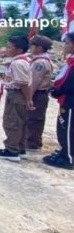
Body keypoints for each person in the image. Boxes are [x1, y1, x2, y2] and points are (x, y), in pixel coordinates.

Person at [0, 36, 32, 162]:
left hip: (16, 94)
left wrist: (28, 99)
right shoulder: (21, 60)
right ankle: (20, 148)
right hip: (18, 94)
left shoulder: (17, 63)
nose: (6, 49)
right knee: (19, 122)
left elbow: (23, 83)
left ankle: (11, 150)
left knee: (12, 122)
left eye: (9, 47)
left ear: (19, 50)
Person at [46, 32, 74, 170]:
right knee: (64, 127)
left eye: (68, 43)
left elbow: (70, 85)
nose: (65, 45)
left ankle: (68, 158)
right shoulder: (71, 60)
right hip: (67, 100)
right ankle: (64, 152)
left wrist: (57, 91)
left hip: (70, 101)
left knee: (68, 129)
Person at [26, 35, 54, 151]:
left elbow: (34, 81)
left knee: (34, 118)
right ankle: (33, 141)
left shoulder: (40, 63)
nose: (30, 48)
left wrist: (29, 97)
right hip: (39, 94)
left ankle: (32, 143)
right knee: (34, 118)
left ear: (39, 48)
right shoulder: (40, 60)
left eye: (32, 45)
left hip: (38, 94)